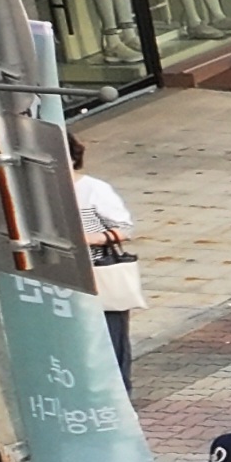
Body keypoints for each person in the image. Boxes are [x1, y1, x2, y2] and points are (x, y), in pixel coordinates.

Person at [72, 136, 143, 384]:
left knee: (111, 338)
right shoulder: (37, 192)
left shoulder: (94, 189)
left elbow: (124, 228)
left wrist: (89, 238)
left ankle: (120, 395)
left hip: (97, 272)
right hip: (62, 277)